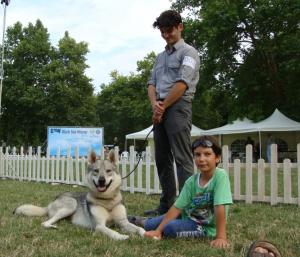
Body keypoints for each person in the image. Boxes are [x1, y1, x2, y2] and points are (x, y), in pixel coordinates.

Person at [129, 136, 233, 248]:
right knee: (151, 225)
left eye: (207, 154)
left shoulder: (220, 176)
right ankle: (128, 220)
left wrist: (221, 237)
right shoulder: (191, 181)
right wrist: (158, 231)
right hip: (186, 217)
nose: (201, 159)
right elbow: (177, 207)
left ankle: (149, 224)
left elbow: (219, 207)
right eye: (197, 155)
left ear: (217, 158)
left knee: (170, 228)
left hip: (205, 227)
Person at [145, 10, 200, 216]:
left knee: (182, 159)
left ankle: (186, 208)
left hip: (178, 107)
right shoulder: (159, 58)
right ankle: (166, 205)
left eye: (170, 30)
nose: (166, 35)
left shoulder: (189, 53)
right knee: (162, 158)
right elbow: (151, 84)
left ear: (180, 27)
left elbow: (182, 84)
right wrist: (155, 106)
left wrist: (163, 106)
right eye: (163, 32)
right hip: (160, 108)